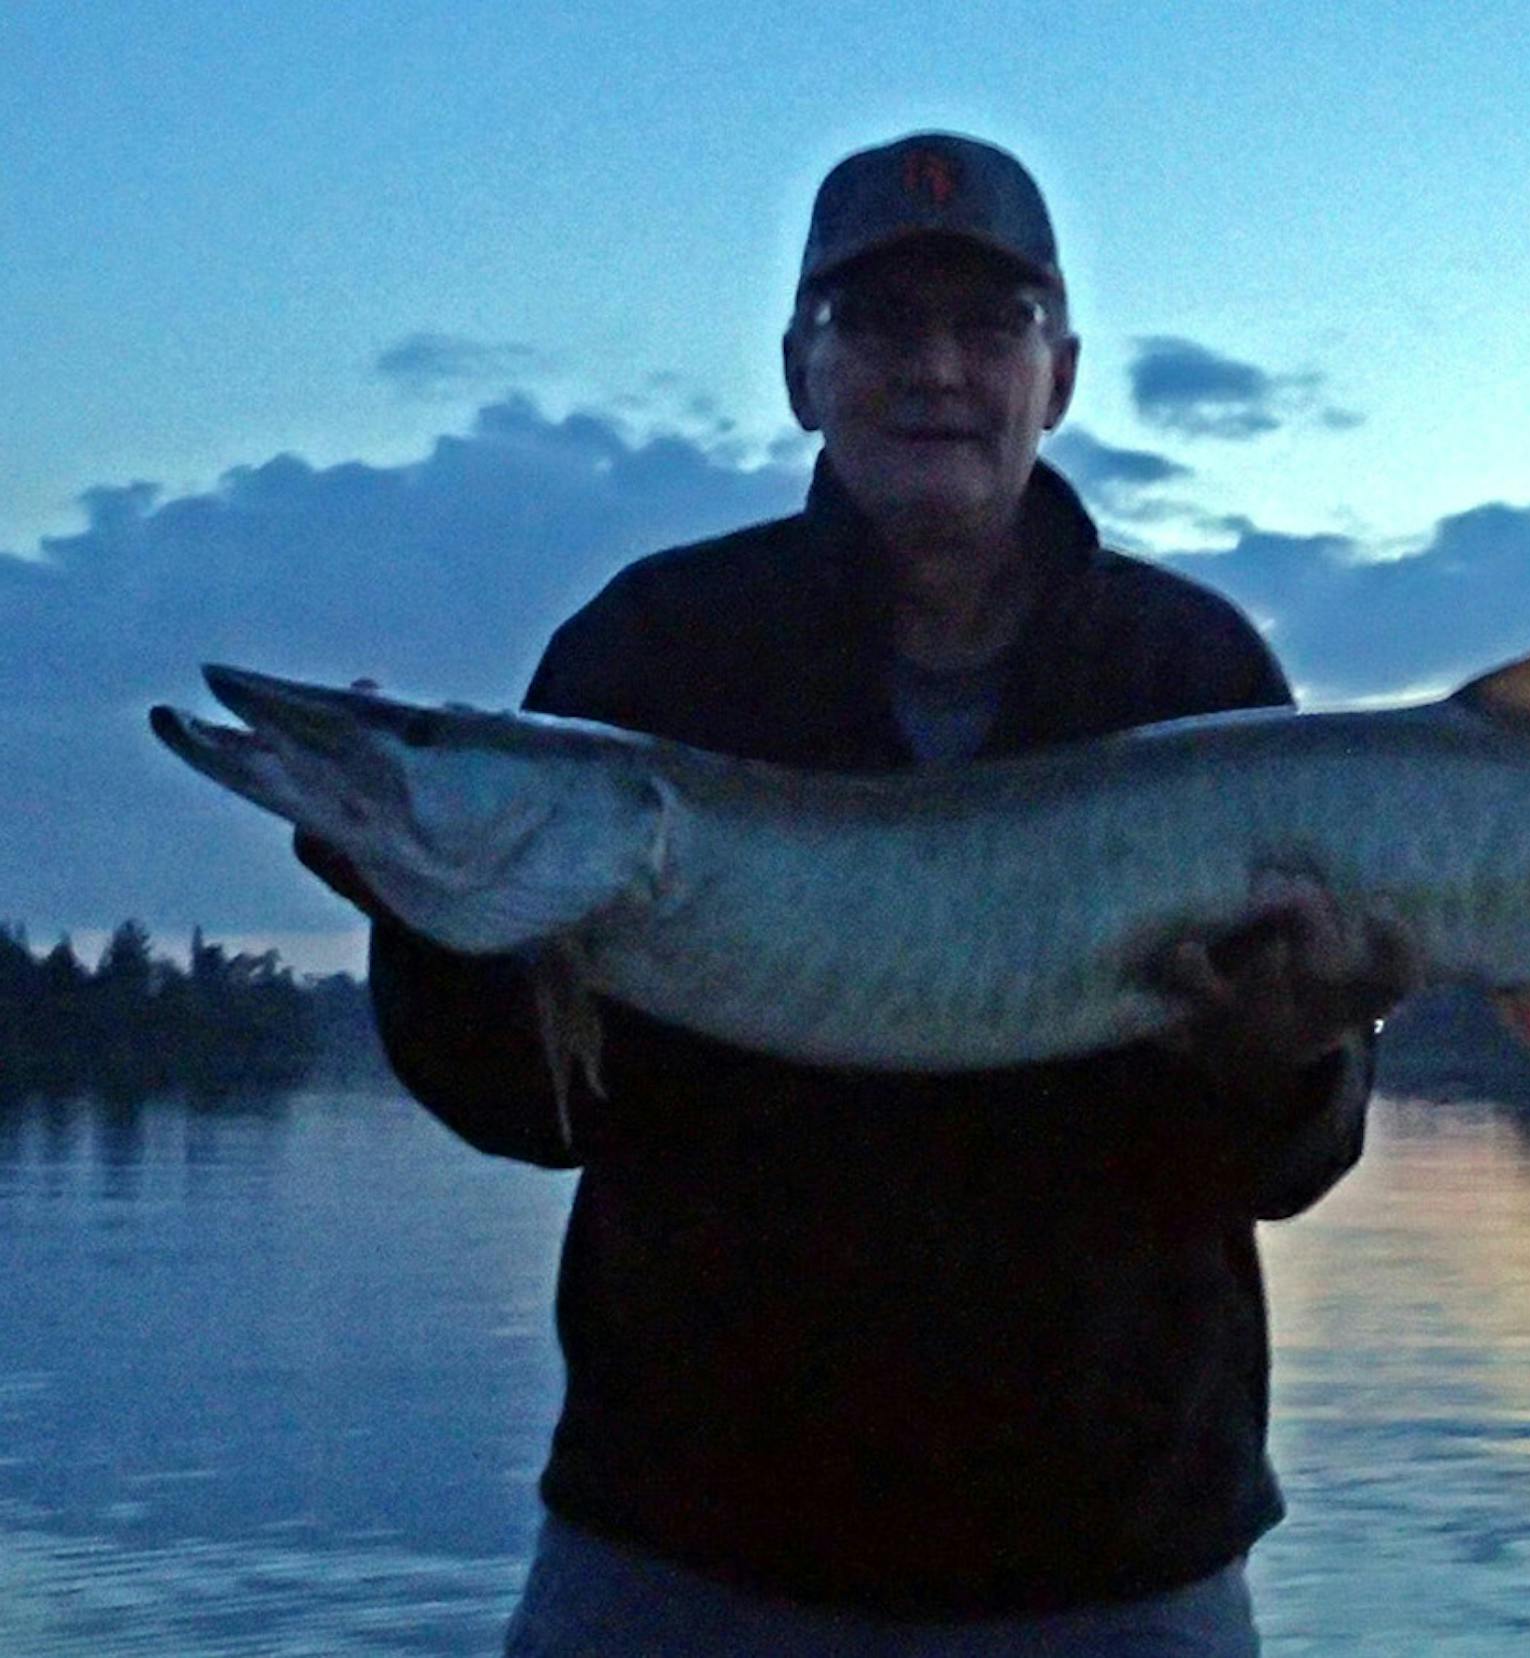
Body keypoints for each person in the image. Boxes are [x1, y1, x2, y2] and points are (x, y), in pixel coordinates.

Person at [304, 132, 1418, 1656]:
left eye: (989, 323)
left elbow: (1291, 1160)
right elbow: (533, 1111)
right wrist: (441, 927)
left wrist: (1281, 1055)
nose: (935, 367)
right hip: (684, 1555)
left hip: (1110, 1567)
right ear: (799, 372)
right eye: (879, 322)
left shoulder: (1191, 669)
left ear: (1061, 374)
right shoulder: (652, 648)